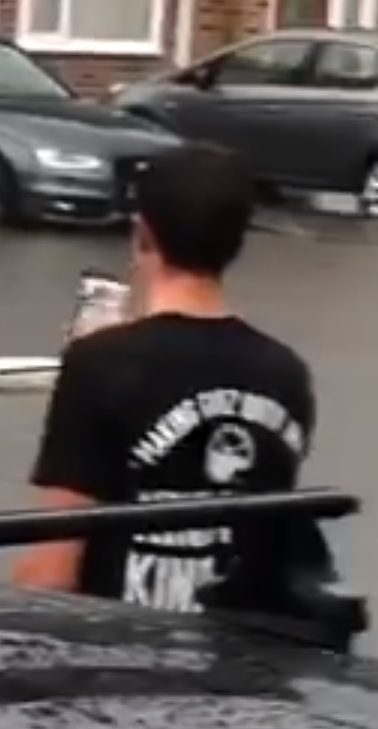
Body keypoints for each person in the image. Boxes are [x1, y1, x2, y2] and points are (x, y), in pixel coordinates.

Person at [16, 143, 318, 613]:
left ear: (142, 233)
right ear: (238, 240)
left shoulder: (100, 363)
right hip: (244, 662)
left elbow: (52, 571)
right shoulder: (286, 373)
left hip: (124, 660)